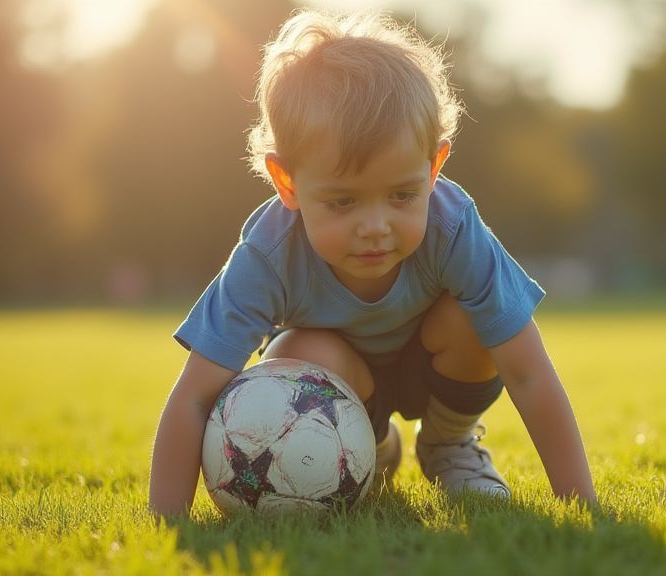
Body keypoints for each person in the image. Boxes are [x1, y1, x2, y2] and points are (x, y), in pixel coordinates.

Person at [148, 9, 596, 518]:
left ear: (434, 167)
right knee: (296, 349)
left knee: (477, 319)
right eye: (343, 202)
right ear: (287, 182)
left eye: (403, 195)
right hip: (342, 383)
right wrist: (170, 526)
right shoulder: (268, 255)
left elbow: (529, 371)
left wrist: (582, 505)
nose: (375, 226)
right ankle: (368, 445)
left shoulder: (453, 228)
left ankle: (447, 446)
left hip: (436, 368)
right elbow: (193, 397)